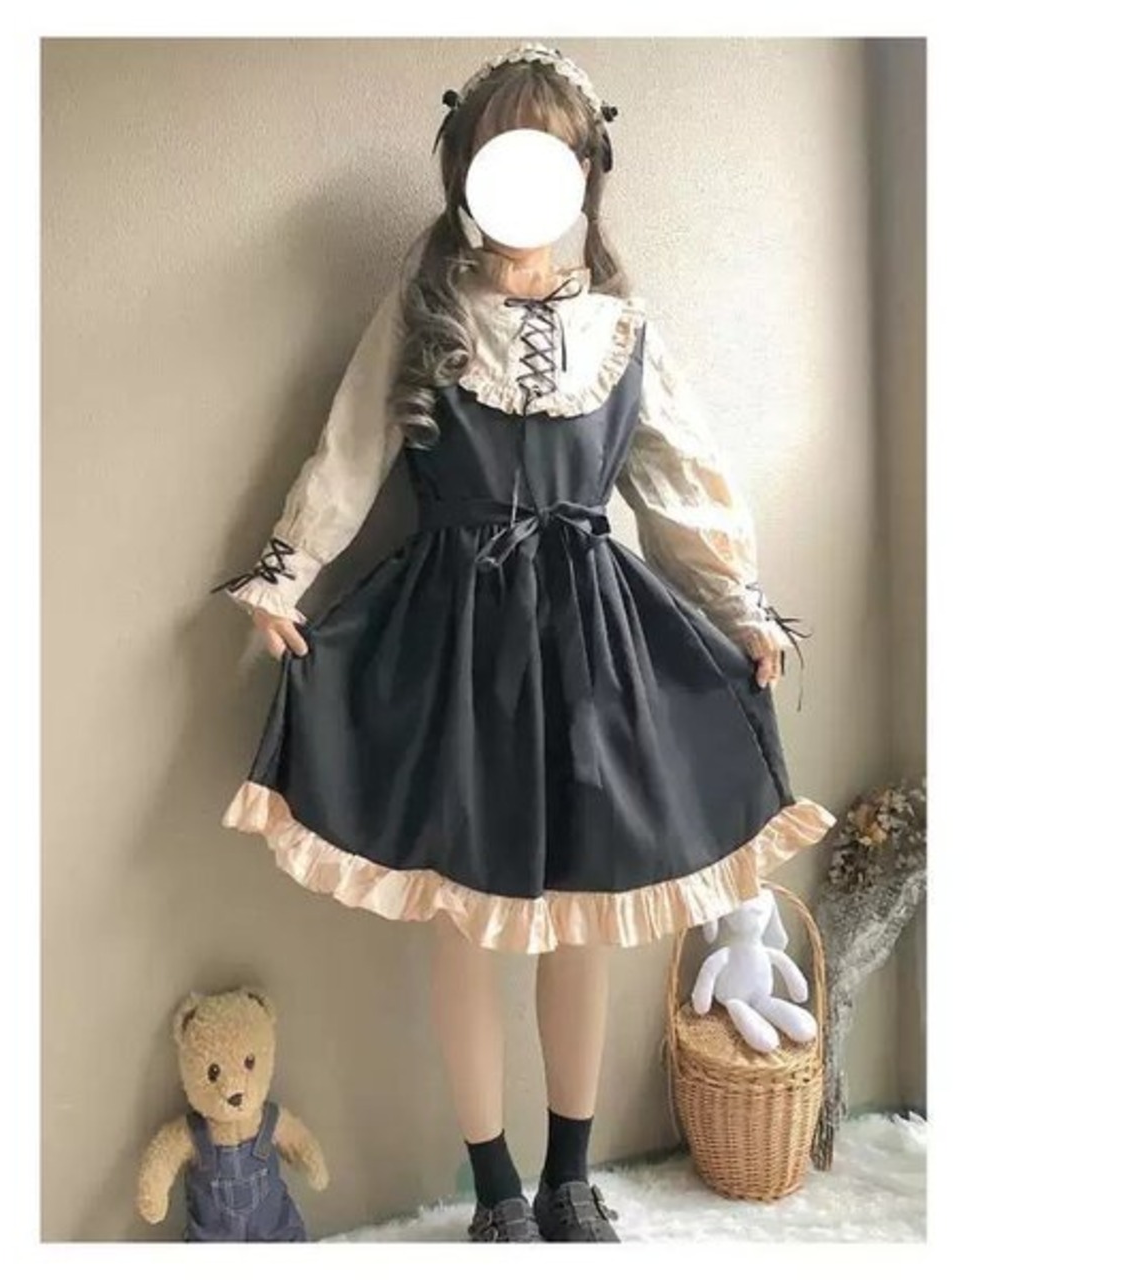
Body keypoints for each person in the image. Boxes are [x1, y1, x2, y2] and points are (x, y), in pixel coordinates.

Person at [209, 42, 837, 1243]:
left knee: (581, 913)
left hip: (591, 645)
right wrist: (285, 572)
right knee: (465, 917)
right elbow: (351, 449)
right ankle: (493, 1182)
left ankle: (569, 1174)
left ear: (584, 174)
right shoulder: (424, 315)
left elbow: (679, 480)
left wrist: (739, 607)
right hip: (451, 643)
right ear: (465, 173)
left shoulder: (620, 330)